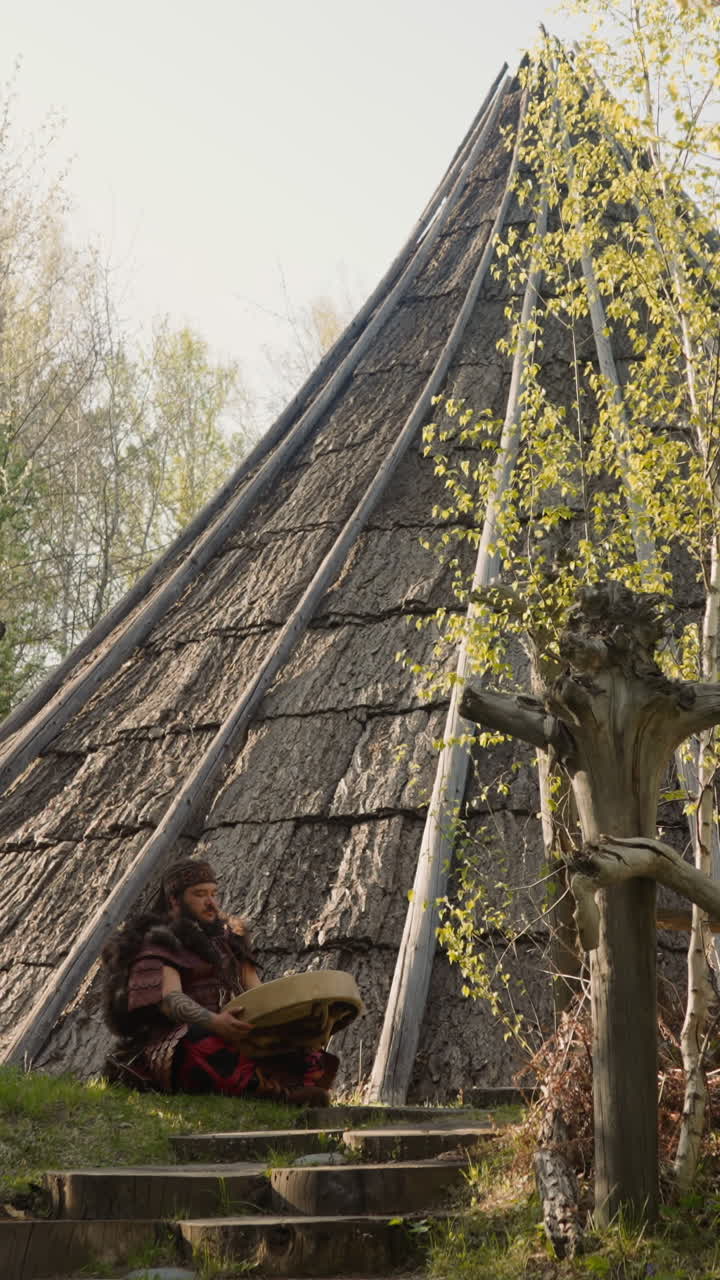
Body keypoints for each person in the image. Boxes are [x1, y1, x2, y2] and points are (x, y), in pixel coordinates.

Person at [102, 857, 337, 1104]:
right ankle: (274, 1094)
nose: (211, 902)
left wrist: (293, 1021)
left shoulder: (230, 941)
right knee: (199, 1040)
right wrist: (214, 1022)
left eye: (214, 893)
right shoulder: (157, 942)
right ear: (174, 899)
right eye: (200, 894)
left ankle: (286, 1087)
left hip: (235, 1033)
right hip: (179, 1042)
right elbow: (170, 1000)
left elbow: (259, 993)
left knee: (303, 1046)